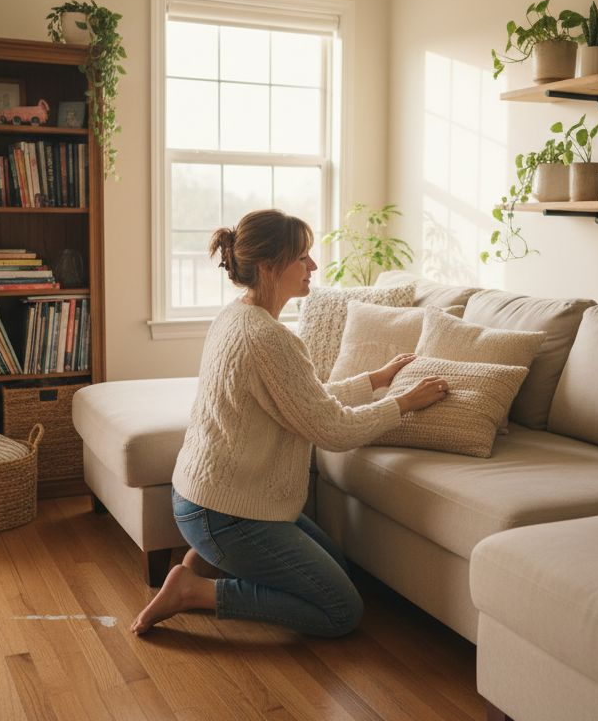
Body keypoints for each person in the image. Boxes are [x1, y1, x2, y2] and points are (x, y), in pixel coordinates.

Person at [131, 208, 448, 637]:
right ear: (267, 266)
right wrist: (403, 402)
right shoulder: (268, 338)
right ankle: (194, 591)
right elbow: (333, 430)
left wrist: (374, 380)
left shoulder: (237, 315)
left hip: (209, 499)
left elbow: (303, 400)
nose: (313, 266)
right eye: (302, 256)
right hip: (226, 513)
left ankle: (201, 561)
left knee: (336, 569)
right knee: (341, 609)